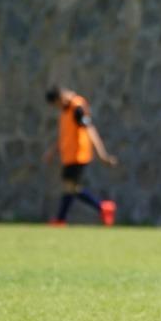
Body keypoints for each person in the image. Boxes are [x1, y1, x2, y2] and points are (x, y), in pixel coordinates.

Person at [43, 86, 118, 226]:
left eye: (56, 104)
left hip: (79, 155)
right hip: (69, 156)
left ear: (60, 98)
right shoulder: (65, 111)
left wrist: (102, 154)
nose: (57, 107)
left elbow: (90, 129)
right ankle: (102, 208)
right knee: (72, 188)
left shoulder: (77, 108)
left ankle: (62, 219)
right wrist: (52, 152)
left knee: (70, 186)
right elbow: (65, 136)